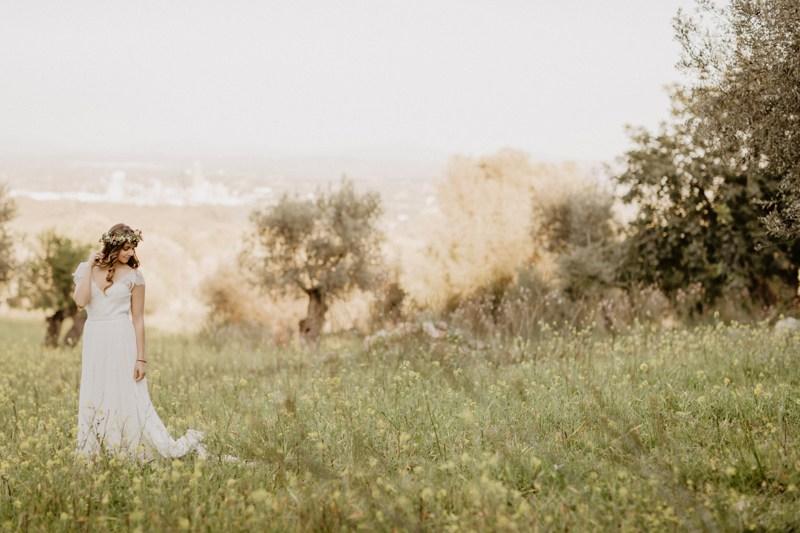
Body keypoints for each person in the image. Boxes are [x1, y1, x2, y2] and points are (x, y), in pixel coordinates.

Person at [71, 223, 207, 461]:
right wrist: (90, 265)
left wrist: (141, 358)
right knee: (96, 389)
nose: (130, 253)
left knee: (124, 392)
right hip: (95, 338)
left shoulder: (135, 277)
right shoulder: (87, 268)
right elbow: (81, 302)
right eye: (126, 248)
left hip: (121, 338)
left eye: (133, 248)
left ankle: (126, 445)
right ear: (112, 245)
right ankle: (98, 446)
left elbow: (138, 319)